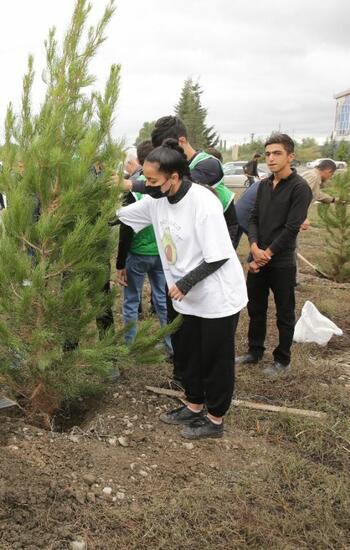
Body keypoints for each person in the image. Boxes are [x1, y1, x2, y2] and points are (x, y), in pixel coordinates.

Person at [118, 139, 247, 439]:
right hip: (184, 297)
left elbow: (218, 255)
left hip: (215, 296)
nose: (147, 185)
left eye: (152, 180)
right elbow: (122, 217)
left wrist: (185, 283)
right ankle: (192, 403)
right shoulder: (157, 200)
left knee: (215, 358)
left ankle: (215, 419)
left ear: (174, 178)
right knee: (188, 354)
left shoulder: (203, 203)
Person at [236, 134, 312, 377]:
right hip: (259, 256)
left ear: (290, 156)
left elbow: (292, 228)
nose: (270, 158)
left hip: (280, 262)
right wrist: (254, 246)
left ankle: (282, 358)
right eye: (268, 153)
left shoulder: (300, 188)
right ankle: (254, 351)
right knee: (256, 308)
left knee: (284, 312)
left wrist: (266, 254)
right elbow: (254, 218)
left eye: (277, 153)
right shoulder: (264, 185)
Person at [115, 145, 172, 355]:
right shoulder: (162, 186)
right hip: (160, 253)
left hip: (138, 254)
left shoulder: (134, 191)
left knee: (131, 301)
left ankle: (129, 346)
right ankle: (171, 345)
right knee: (162, 300)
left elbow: (126, 229)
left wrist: (120, 262)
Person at [151, 116, 240, 248]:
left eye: (166, 150)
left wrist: (132, 184)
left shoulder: (208, 164)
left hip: (222, 226)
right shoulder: (176, 166)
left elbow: (174, 185)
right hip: (196, 226)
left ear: (181, 141)